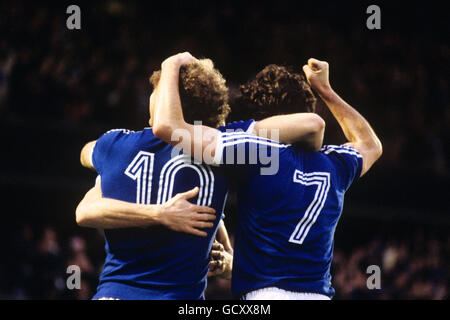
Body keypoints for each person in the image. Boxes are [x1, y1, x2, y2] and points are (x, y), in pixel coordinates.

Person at [77, 56, 325, 299]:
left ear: (166, 98)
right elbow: (312, 124)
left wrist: (171, 64)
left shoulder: (116, 144)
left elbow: (86, 155)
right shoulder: (225, 145)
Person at [152, 53, 382, 300]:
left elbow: (168, 127)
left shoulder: (255, 150)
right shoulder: (335, 163)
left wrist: (170, 64)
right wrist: (325, 89)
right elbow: (370, 145)